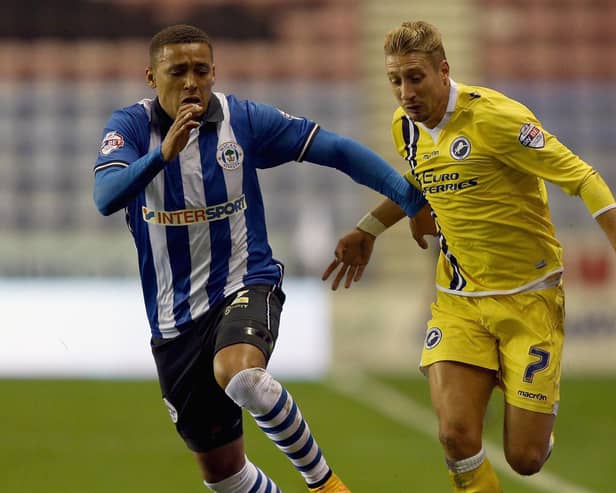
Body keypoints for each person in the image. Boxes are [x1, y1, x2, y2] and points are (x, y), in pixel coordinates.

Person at [93, 24, 425, 493]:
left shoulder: (242, 121)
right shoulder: (129, 127)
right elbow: (105, 196)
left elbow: (333, 148)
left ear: (215, 73)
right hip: (174, 321)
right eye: (178, 71)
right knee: (225, 476)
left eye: (201, 71)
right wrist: (162, 155)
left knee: (243, 375)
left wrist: (407, 199)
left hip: (246, 281)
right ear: (151, 76)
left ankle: (325, 484)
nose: (192, 82)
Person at [322, 20, 616, 493]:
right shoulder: (406, 128)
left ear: (443, 71)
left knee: (524, 459)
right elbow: (420, 179)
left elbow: (583, 178)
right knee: (455, 436)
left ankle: (526, 409)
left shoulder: (498, 118)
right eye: (394, 80)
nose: (404, 92)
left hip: (528, 300)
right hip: (458, 299)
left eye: (415, 78)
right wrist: (369, 227)